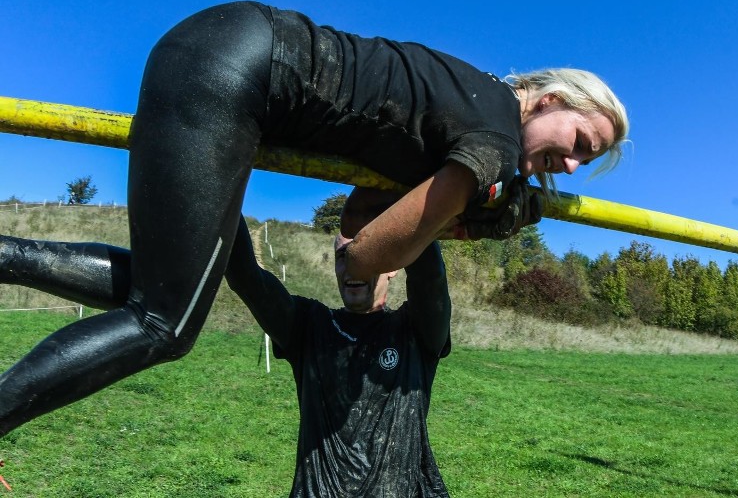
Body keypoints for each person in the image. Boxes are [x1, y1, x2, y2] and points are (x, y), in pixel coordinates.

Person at [0, 0, 629, 438]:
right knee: (163, 325)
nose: (571, 166)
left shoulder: (473, 102)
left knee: (170, 293)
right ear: (549, 99)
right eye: (579, 140)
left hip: (221, 46)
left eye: (585, 159)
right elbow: (364, 253)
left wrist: (474, 208)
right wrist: (477, 207)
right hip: (243, 69)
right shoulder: (492, 131)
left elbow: (362, 206)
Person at [1, 189, 453, 497]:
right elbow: (245, 276)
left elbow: (430, 276)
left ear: (394, 264)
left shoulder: (415, 331)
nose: (351, 264)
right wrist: (228, 173)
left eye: (367, 252)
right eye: (341, 255)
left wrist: (403, 199)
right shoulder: (309, 326)